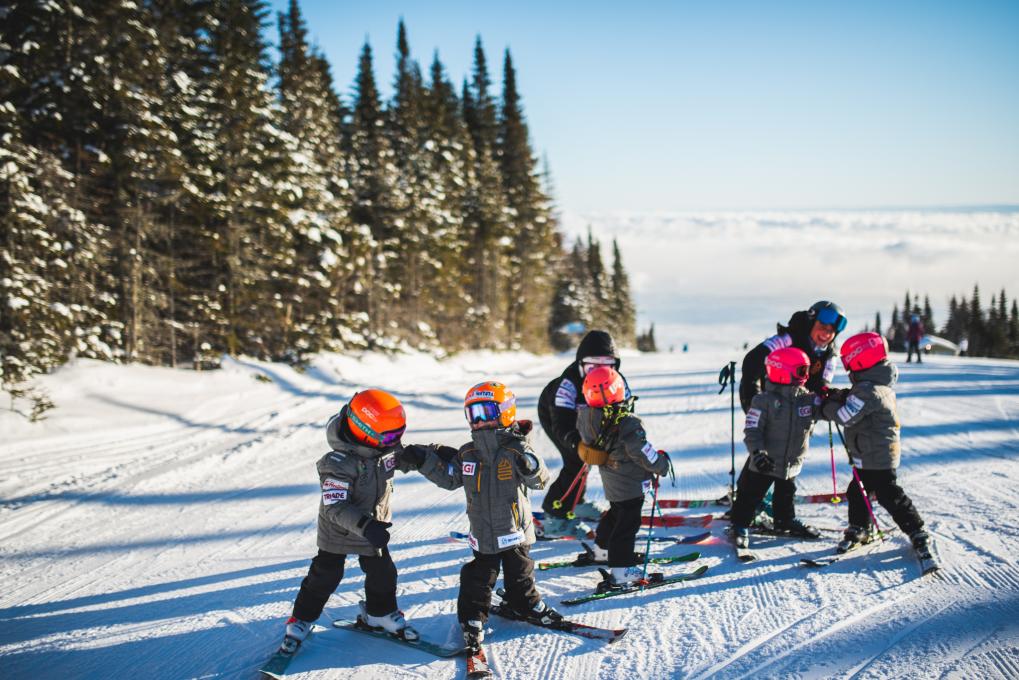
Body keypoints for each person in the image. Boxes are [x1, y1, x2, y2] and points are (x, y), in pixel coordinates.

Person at [279, 389, 453, 653]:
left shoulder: (382, 450)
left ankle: (379, 613)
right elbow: (335, 506)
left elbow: (408, 455)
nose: (396, 442)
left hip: (373, 527)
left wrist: (433, 454)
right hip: (340, 530)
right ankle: (301, 618)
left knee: (383, 572)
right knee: (325, 574)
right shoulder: (336, 463)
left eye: (399, 434)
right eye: (390, 436)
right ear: (364, 431)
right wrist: (366, 526)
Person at [401, 381, 560, 653]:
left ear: (505, 412)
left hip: (514, 531)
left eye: (486, 412)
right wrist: (424, 461)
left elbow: (540, 480)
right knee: (477, 578)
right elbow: (450, 479)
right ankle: (472, 619)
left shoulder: (517, 449)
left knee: (520, 575)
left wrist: (531, 467)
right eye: (473, 415)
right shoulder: (468, 452)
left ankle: (526, 604)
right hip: (484, 533)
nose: (480, 421)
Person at [819, 332, 931, 558]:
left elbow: (846, 416)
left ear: (860, 360)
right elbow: (853, 400)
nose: (847, 368)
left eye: (848, 361)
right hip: (867, 452)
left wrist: (825, 407)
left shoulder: (870, 390)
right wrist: (839, 395)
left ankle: (916, 529)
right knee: (857, 490)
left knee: (888, 493)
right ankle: (860, 528)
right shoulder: (872, 384)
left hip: (877, 454)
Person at [575, 366, 672, 591]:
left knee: (615, 514)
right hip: (630, 482)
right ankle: (621, 569)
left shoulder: (586, 417)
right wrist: (660, 465)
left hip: (611, 479)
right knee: (627, 525)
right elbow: (640, 451)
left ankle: (602, 550)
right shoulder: (627, 422)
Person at [537, 330, 628, 537]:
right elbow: (561, 423)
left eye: (606, 365)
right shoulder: (567, 385)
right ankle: (555, 514)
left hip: (589, 418)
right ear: (580, 364)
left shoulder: (618, 381)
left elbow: (625, 412)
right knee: (576, 462)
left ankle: (576, 502)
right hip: (557, 416)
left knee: (589, 460)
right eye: (592, 366)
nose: (598, 371)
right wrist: (578, 445)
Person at [729, 347, 821, 552]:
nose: (806, 376)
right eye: (801, 371)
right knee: (750, 494)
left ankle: (785, 520)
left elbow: (823, 409)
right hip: (766, 461)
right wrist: (757, 453)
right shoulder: (763, 401)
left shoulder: (805, 398)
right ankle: (740, 524)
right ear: (782, 371)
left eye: (806, 371)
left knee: (786, 493)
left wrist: (833, 397)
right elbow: (752, 430)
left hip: (791, 461)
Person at [739, 301, 847, 414]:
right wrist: (754, 403)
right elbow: (752, 361)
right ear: (811, 322)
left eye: (831, 331)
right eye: (822, 326)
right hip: (770, 400)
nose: (826, 334)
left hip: (798, 407)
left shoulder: (829, 354)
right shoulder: (789, 339)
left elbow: (822, 383)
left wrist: (828, 395)